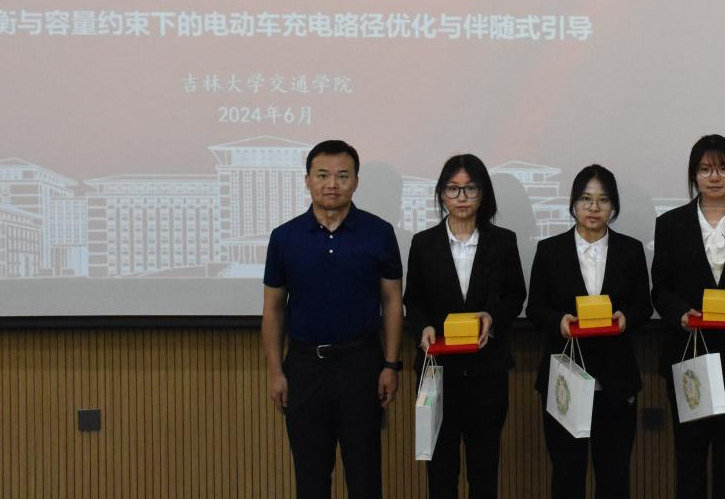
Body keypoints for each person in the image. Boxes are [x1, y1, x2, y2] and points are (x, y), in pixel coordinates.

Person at [261, 139, 404, 499]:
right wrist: (276, 372)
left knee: (365, 476)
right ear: (307, 180)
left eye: (342, 176)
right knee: (310, 478)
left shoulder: (379, 233)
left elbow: (392, 301)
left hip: (362, 365)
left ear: (356, 181)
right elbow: (274, 309)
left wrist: (391, 364)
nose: (332, 184)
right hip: (305, 367)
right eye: (322, 175)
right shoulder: (284, 237)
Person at [650, 135, 725, 499]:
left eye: (723, 168)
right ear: (694, 175)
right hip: (688, 355)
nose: (714, 177)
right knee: (689, 460)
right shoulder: (671, 224)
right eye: (705, 169)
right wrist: (680, 314)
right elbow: (660, 289)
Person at [402, 154, 526, 499]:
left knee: (484, 470)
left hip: (487, 372)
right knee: (441, 473)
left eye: (470, 189)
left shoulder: (503, 241)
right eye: (453, 189)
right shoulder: (423, 243)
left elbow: (516, 296)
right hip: (437, 373)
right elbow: (414, 302)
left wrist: (493, 317)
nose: (461, 198)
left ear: (483, 194)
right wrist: (423, 329)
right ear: (441, 194)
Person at [526, 164, 652, 499]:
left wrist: (627, 318)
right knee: (567, 475)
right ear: (573, 204)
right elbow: (535, 307)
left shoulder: (630, 250)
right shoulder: (550, 250)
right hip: (565, 378)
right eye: (585, 199)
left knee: (614, 477)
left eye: (603, 200)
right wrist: (559, 321)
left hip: (616, 380)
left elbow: (644, 304)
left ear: (614, 207)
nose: (594, 207)